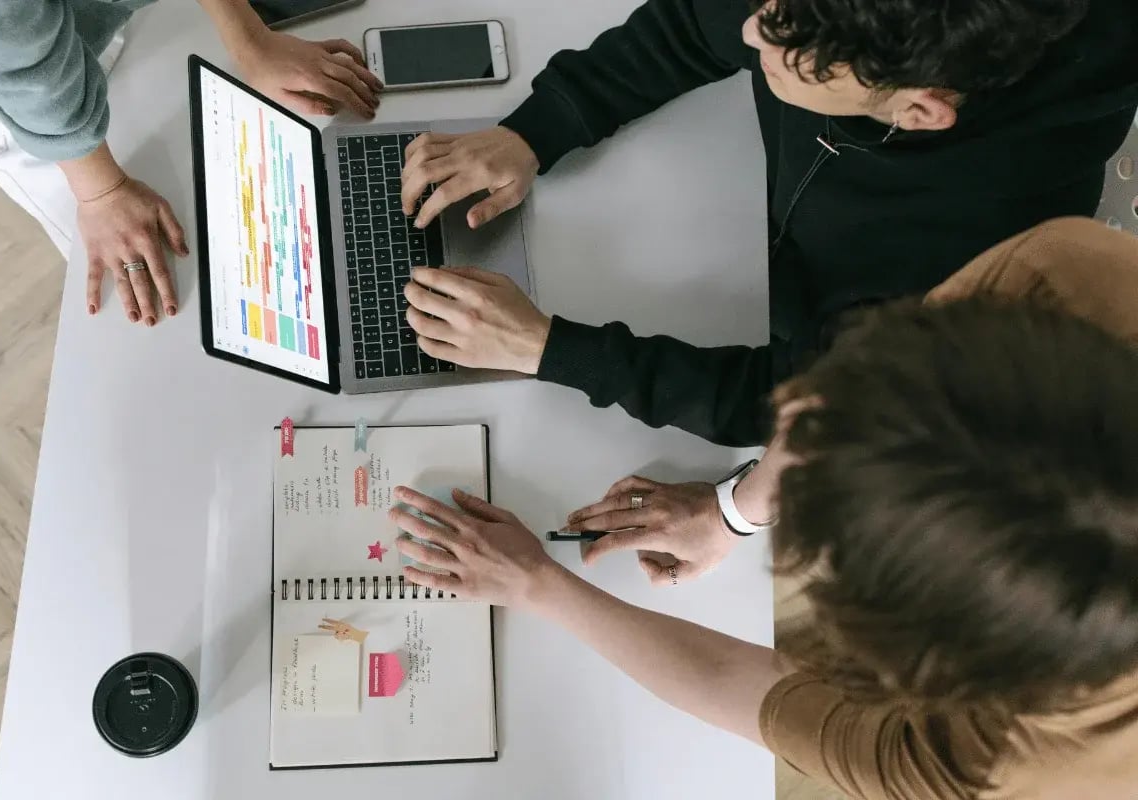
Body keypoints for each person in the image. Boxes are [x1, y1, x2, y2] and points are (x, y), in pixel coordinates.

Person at [388, 217, 1138, 799]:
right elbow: (836, 400)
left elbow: (751, 688)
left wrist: (541, 586)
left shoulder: (1004, 764)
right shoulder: (1064, 275)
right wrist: (732, 510)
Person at [391, 0, 1138, 582]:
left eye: (788, 58)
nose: (750, 32)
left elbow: (806, 403)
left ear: (917, 111)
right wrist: (536, 130)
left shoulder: (970, 264)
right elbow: (695, 25)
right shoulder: (829, 17)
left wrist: (551, 349)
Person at [0, 0, 381, 326]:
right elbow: (9, 52)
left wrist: (250, 40)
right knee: (157, 297)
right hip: (17, 97)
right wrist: (101, 192)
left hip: (104, 18)